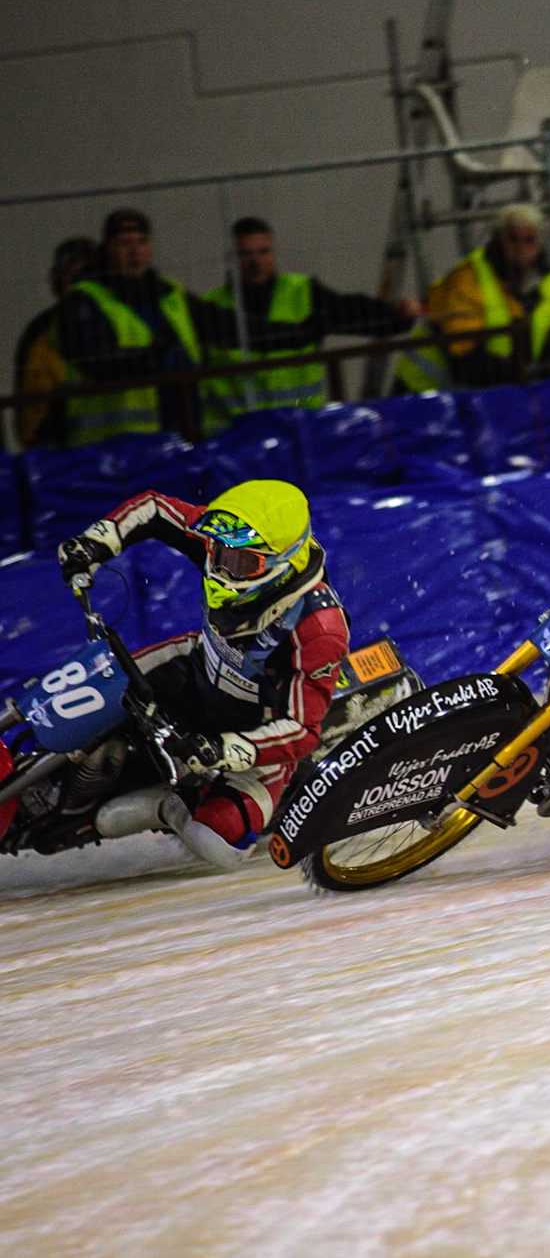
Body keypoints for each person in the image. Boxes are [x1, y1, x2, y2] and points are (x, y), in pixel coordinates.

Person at [55, 480, 350, 870]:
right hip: (195, 667)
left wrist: (225, 749)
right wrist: (97, 541)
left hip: (250, 727)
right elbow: (156, 508)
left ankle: (167, 804)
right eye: (218, 551)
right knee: (79, 689)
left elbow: (300, 730)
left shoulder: (319, 627)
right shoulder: (224, 536)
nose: (223, 566)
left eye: (243, 563)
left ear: (285, 563)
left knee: (218, 844)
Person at [200, 217, 422, 419]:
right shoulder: (211, 308)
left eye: (264, 252)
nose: (256, 262)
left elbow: (350, 312)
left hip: (301, 429)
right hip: (236, 440)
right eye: (245, 254)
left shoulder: (303, 291)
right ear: (231, 259)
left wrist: (395, 313)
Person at [52, 209, 238, 446]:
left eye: (141, 242)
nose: (135, 252)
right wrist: (151, 357)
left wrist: (293, 333)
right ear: (108, 248)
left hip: (184, 434)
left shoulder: (170, 294)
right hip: (117, 448)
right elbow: (97, 360)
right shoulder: (82, 301)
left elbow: (225, 326)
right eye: (124, 243)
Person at [421, 204, 550, 389]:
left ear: (539, 244)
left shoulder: (549, 282)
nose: (522, 248)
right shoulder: (469, 278)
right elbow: (463, 357)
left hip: (491, 394)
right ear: (499, 241)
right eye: (513, 239)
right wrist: (522, 380)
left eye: (530, 239)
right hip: (424, 393)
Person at [10, 237, 94, 446]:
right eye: (75, 279)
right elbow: (33, 413)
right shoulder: (43, 332)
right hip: (66, 456)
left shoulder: (124, 319)